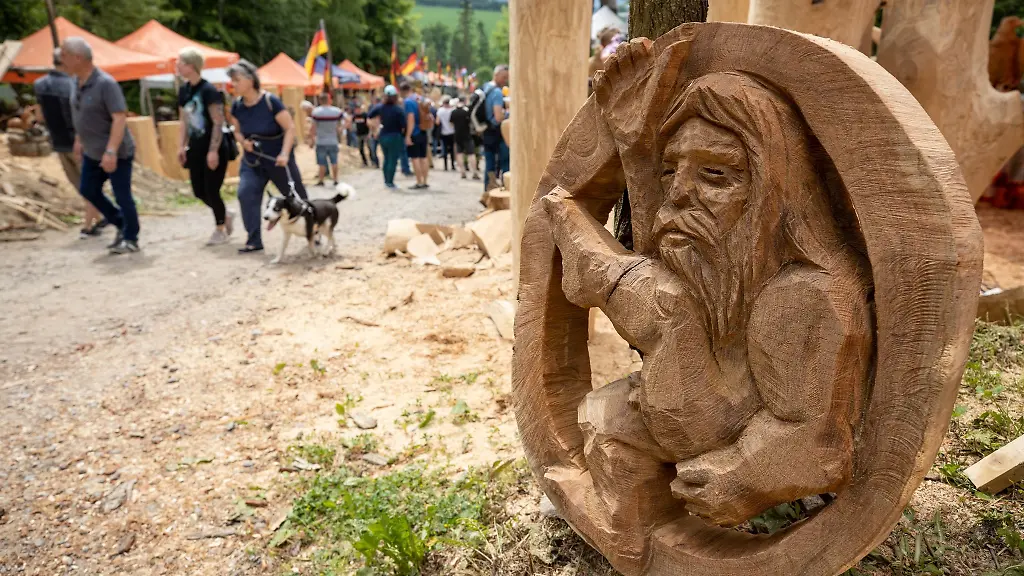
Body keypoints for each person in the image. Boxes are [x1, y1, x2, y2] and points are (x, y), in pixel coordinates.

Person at [62, 37, 140, 254]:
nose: (61, 62)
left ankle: (131, 237)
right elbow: (79, 114)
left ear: (78, 58)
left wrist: (111, 151)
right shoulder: (74, 82)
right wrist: (79, 140)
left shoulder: (106, 83)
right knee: (88, 189)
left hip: (116, 151)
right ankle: (121, 223)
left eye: (65, 57)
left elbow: (119, 117)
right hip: (92, 151)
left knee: (121, 194)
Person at [226, 59, 307, 254]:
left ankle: (312, 231)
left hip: (278, 159)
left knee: (296, 198)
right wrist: (242, 141)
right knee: (246, 193)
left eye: (236, 80)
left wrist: (285, 154)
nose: (233, 84)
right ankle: (254, 239)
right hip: (252, 161)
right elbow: (236, 130)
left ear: (250, 80)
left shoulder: (271, 102)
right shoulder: (237, 106)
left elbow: (289, 129)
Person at [34, 48, 106, 238]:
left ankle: (96, 219)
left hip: (58, 142)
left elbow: (40, 116)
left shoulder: (39, 84)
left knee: (82, 185)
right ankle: (89, 225)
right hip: (80, 142)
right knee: (91, 184)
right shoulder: (74, 84)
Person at [176, 47, 233, 245]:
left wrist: (213, 150)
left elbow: (218, 121)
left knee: (212, 189)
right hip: (195, 147)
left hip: (213, 146)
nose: (177, 66)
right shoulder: (184, 90)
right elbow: (183, 120)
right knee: (198, 191)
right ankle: (225, 214)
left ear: (191, 66)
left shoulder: (208, 90)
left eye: (180, 63)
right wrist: (181, 146)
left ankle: (220, 229)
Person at [368, 85, 407, 189]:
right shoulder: (398, 110)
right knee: (392, 160)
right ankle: (390, 182)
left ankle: (386, 181)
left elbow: (369, 116)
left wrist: (374, 129)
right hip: (395, 136)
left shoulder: (380, 107)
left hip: (383, 135)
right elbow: (404, 126)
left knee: (386, 159)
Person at [482, 65, 510, 190]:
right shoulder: (497, 92)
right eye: (504, 77)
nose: (505, 80)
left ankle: (488, 188)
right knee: (505, 161)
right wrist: (508, 113)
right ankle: (505, 187)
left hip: (486, 130)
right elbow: (498, 117)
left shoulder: (486, 87)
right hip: (497, 132)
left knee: (489, 162)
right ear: (496, 75)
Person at [310, 93, 343, 186]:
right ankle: (335, 180)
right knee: (334, 161)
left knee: (321, 163)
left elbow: (313, 128)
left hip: (321, 141)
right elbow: (342, 124)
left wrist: (312, 140)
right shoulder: (337, 111)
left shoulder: (316, 112)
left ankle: (321, 180)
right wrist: (340, 131)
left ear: (320, 100)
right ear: (330, 100)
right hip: (333, 140)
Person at [401, 83, 430, 189]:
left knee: (415, 158)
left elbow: (411, 118)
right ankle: (425, 181)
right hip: (423, 130)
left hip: (415, 132)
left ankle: (419, 181)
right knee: (424, 157)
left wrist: (408, 135)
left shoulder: (408, 102)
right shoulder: (420, 98)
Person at [449, 97, 479, 180]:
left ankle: (462, 172)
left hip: (457, 135)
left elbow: (451, 123)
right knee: (471, 154)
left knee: (459, 154)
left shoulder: (453, 112)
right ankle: (474, 172)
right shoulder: (467, 111)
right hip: (467, 135)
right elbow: (472, 122)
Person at [352, 103, 376, 167]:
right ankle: (364, 162)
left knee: (370, 148)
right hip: (359, 135)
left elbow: (370, 124)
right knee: (361, 149)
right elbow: (352, 124)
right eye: (356, 109)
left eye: (358, 109)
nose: (357, 111)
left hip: (366, 134)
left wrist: (370, 133)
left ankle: (373, 161)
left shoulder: (365, 115)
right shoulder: (354, 116)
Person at [436, 96, 456, 171]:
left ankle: (445, 166)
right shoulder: (452, 110)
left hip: (443, 132)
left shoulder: (440, 111)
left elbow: (437, 122)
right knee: (452, 149)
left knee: (444, 148)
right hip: (452, 132)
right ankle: (453, 165)